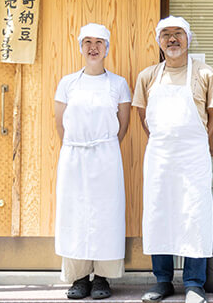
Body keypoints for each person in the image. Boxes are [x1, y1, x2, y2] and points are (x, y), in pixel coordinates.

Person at [133, 16, 213, 303]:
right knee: (160, 212)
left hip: (194, 154)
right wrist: (165, 138)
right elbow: (142, 117)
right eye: (166, 34)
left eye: (178, 34)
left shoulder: (205, 74)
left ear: (188, 38)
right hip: (159, 154)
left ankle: (195, 283)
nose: (172, 39)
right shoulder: (147, 76)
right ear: (158, 41)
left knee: (194, 213)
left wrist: (190, 139)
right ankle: (162, 281)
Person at [54, 23, 132, 300]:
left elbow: (122, 126)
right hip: (74, 156)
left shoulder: (118, 84)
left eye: (99, 42)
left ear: (107, 48)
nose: (93, 47)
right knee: (74, 213)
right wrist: (79, 145)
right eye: (87, 41)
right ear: (80, 47)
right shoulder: (68, 83)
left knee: (105, 215)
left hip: (106, 157)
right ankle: (78, 278)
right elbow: (60, 124)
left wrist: (103, 146)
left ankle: (102, 278)